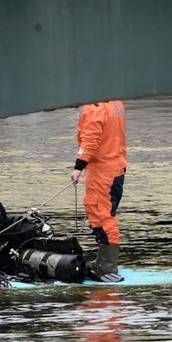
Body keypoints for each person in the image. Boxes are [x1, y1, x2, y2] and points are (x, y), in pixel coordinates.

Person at [69, 100, 128, 282]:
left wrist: (78, 167)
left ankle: (108, 265)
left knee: (102, 216)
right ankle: (103, 260)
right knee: (106, 213)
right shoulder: (116, 102)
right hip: (116, 166)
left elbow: (90, 140)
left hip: (102, 170)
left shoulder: (94, 109)